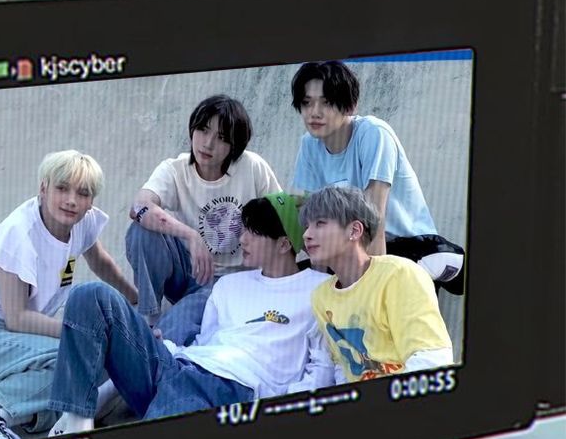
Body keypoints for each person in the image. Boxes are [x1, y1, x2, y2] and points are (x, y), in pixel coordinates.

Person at [47, 192, 333, 436]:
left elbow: (321, 366)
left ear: (284, 245)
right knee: (90, 295)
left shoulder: (318, 291)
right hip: (177, 366)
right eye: (244, 228)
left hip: (227, 388)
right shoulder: (228, 285)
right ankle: (78, 421)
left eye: (253, 232)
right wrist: (164, 346)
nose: (242, 239)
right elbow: (207, 342)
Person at [0, 149, 137, 439]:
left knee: (93, 365)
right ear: (43, 187)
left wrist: (134, 303)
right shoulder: (18, 234)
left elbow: (100, 262)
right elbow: (16, 317)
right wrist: (86, 336)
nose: (71, 200)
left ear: (91, 201)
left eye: (83, 193)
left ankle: (5, 415)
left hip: (17, 336)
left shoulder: (80, 221)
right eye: (62, 188)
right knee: (71, 360)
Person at [290, 60, 464, 293]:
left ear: (350, 106)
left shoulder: (373, 133)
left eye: (327, 102)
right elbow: (307, 213)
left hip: (406, 246)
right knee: (296, 278)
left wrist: (370, 293)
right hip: (351, 247)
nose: (314, 112)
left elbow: (375, 220)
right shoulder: (309, 145)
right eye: (306, 103)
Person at [126, 94, 281, 345]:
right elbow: (139, 206)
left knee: (172, 333)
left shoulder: (252, 168)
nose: (207, 144)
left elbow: (284, 222)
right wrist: (191, 235)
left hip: (229, 281)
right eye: (203, 130)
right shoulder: (174, 169)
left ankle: (153, 346)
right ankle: (149, 314)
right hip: (186, 271)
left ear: (234, 146)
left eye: (221, 138)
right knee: (141, 231)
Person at [300, 186, 453, 383]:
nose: (306, 234)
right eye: (306, 226)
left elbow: (431, 359)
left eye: (320, 223)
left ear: (354, 230)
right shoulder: (320, 297)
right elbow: (342, 368)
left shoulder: (399, 275)